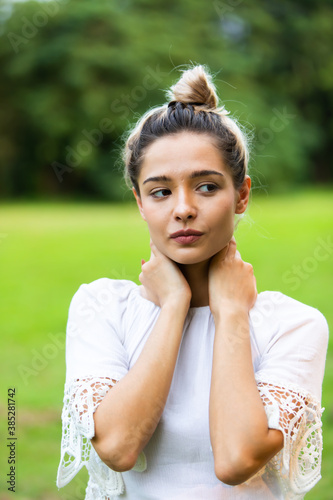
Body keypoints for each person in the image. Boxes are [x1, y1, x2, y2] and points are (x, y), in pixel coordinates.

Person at [56, 65, 328, 500]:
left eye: (205, 187)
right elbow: (118, 447)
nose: (183, 208)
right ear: (140, 203)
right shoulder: (100, 306)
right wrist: (174, 306)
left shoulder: (294, 325)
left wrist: (232, 312)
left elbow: (237, 460)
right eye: (161, 192)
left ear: (241, 195)